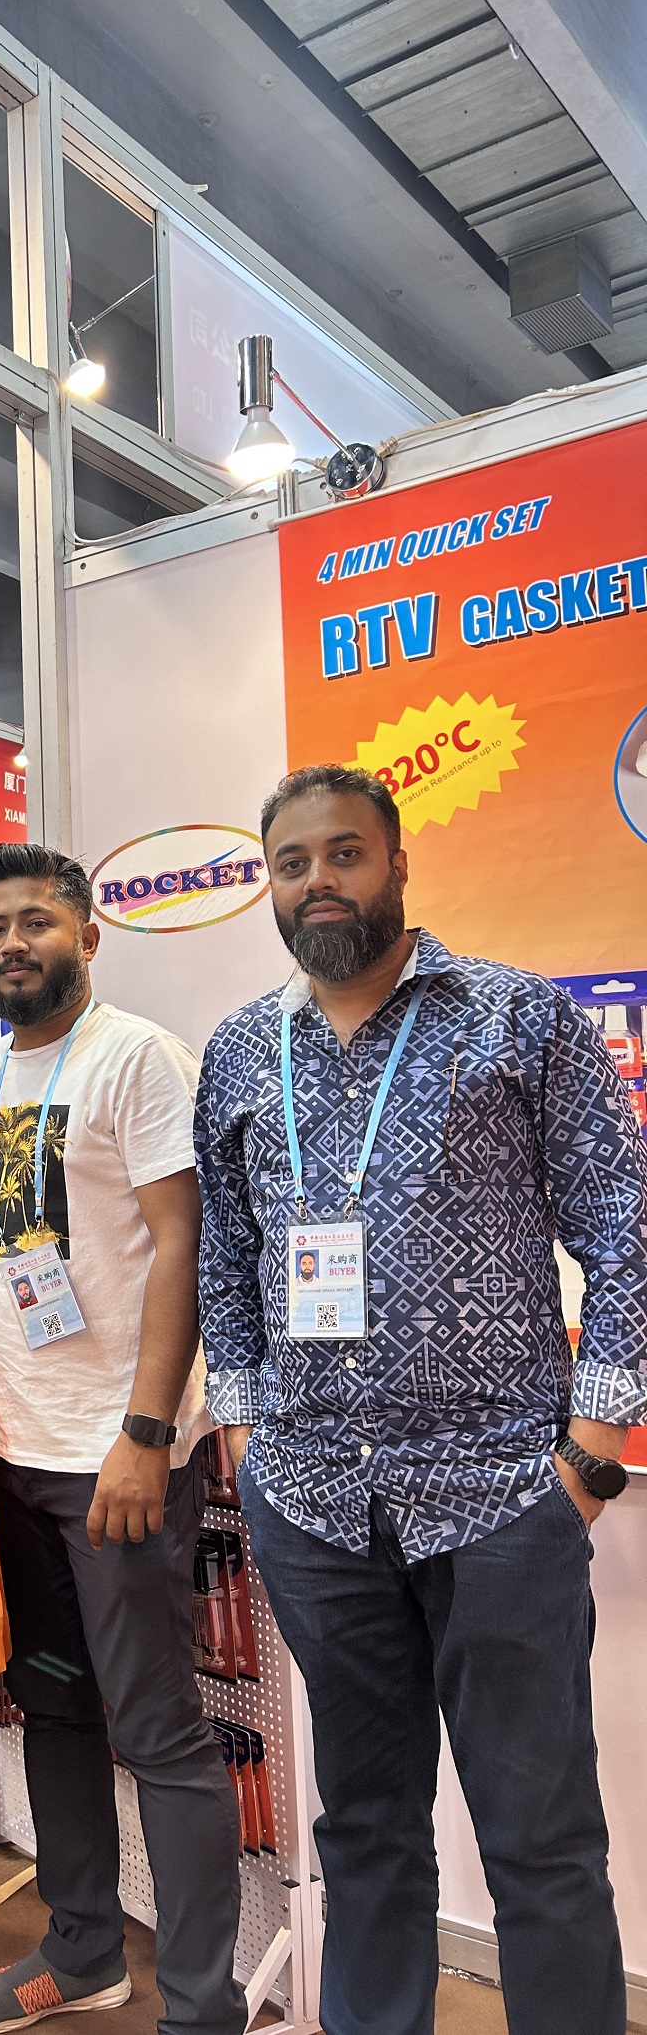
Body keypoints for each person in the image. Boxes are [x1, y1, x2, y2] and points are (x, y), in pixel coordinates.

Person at [194, 764, 647, 2035]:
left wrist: (590, 1451)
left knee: (540, 1836)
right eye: (291, 862)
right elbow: (227, 1255)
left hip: (501, 1498)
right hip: (313, 1505)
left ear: (396, 864)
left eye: (344, 853)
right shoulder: (239, 1050)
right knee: (364, 1826)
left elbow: (624, 1229)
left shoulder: (515, 1017)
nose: (318, 881)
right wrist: (247, 1434)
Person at [0, 843, 246, 2035]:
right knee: (52, 1710)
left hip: (113, 1458)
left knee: (158, 1731)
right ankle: (82, 1950)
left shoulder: (138, 1059)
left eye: (36, 922)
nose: (12, 944)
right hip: (8, 1452)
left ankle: (201, 2004)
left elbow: (182, 1245)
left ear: (87, 936)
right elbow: (1, 1234)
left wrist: (147, 1429)